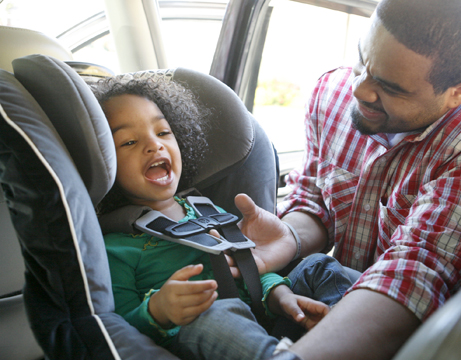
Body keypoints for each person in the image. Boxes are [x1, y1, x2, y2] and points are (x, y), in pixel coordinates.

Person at [231, 0, 461, 359]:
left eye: (390, 87)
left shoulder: (456, 149)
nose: (359, 89)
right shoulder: (331, 93)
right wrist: (290, 236)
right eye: (362, 60)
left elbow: (416, 268)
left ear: (455, 93)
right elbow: (315, 200)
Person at [91, 76, 353, 360]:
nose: (154, 145)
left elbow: (249, 270)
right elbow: (119, 330)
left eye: (164, 132)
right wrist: (158, 311)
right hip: (201, 338)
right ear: (103, 161)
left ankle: (353, 329)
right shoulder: (116, 246)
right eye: (129, 141)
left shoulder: (207, 211)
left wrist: (280, 296)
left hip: (263, 320)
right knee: (214, 314)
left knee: (318, 266)